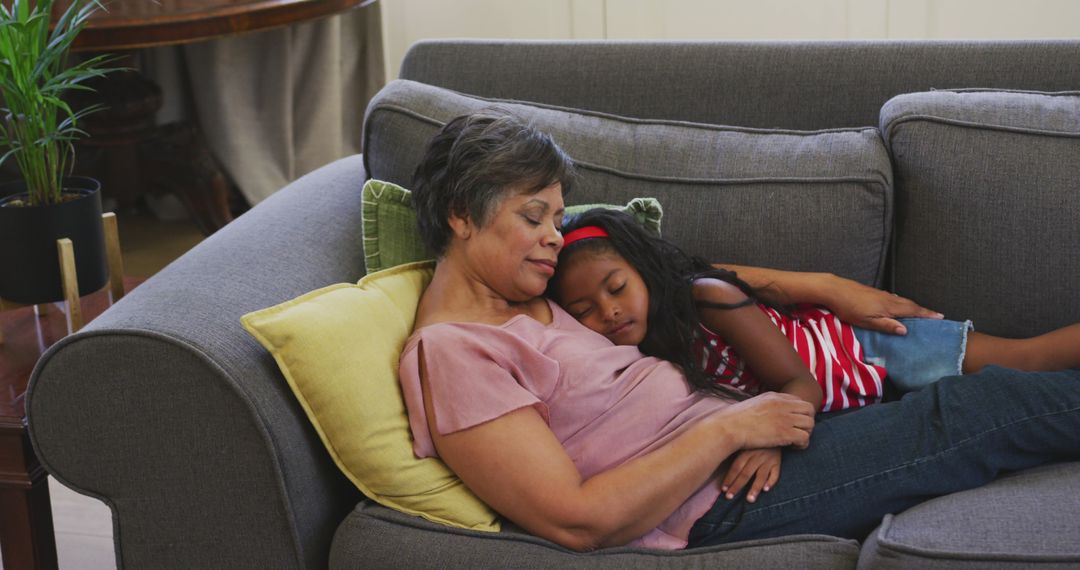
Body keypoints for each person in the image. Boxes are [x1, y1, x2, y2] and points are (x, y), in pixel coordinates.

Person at [397, 110, 1080, 551]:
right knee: (980, 410)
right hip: (722, 500)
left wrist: (823, 288)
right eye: (535, 216)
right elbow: (578, 519)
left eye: (557, 218)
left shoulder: (526, 291)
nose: (554, 238)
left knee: (978, 395)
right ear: (462, 214)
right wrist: (729, 428)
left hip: (753, 443)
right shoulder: (456, 353)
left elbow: (670, 274)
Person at [547, 207, 1080, 504]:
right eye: (584, 309)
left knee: (1028, 360)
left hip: (869, 347)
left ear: (643, 270)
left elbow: (801, 382)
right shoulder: (628, 353)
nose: (609, 312)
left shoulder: (703, 297)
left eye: (617, 288)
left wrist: (772, 439)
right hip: (863, 402)